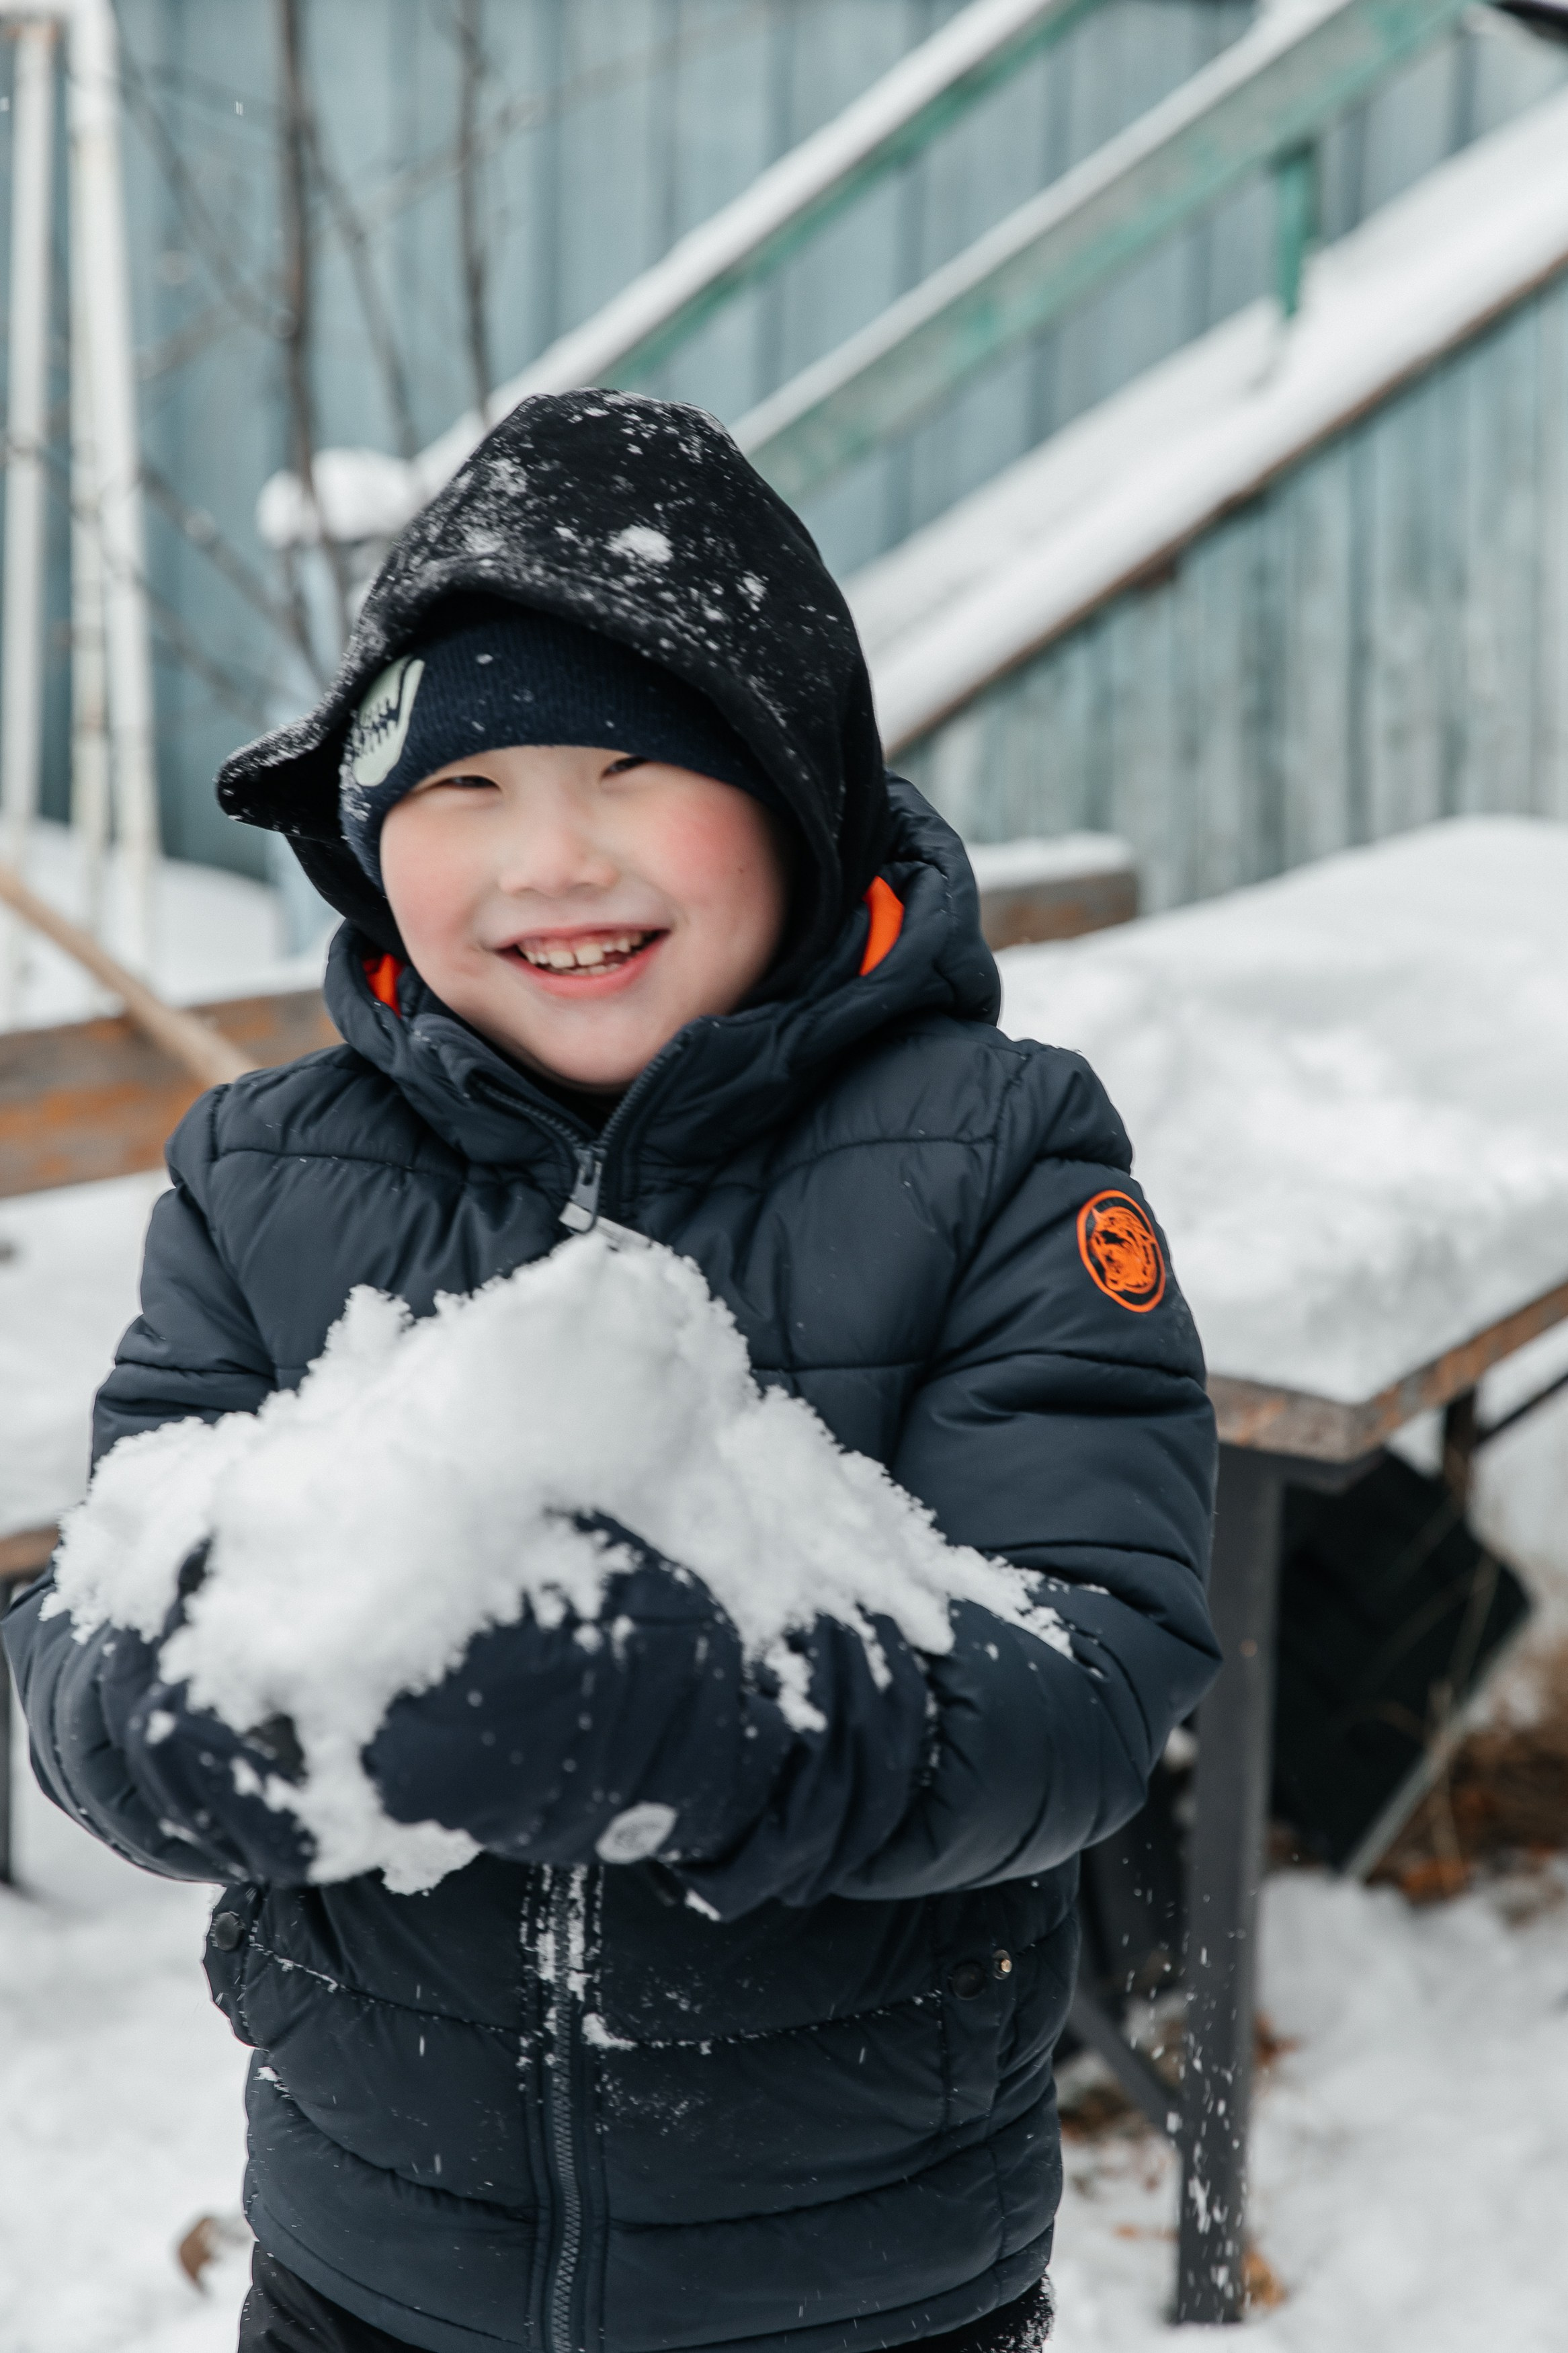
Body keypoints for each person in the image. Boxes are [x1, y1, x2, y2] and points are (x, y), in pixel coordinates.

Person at [4, 392, 1219, 2353]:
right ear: (367, 837)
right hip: (372, 2267)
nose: (547, 857)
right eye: (460, 791)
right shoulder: (263, 1175)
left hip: (852, 2278)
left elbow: (1085, 1673)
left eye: (631, 765)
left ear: (792, 790)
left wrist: (718, 1708)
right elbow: (97, 1587)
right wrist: (159, 1712)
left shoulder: (994, 1155)